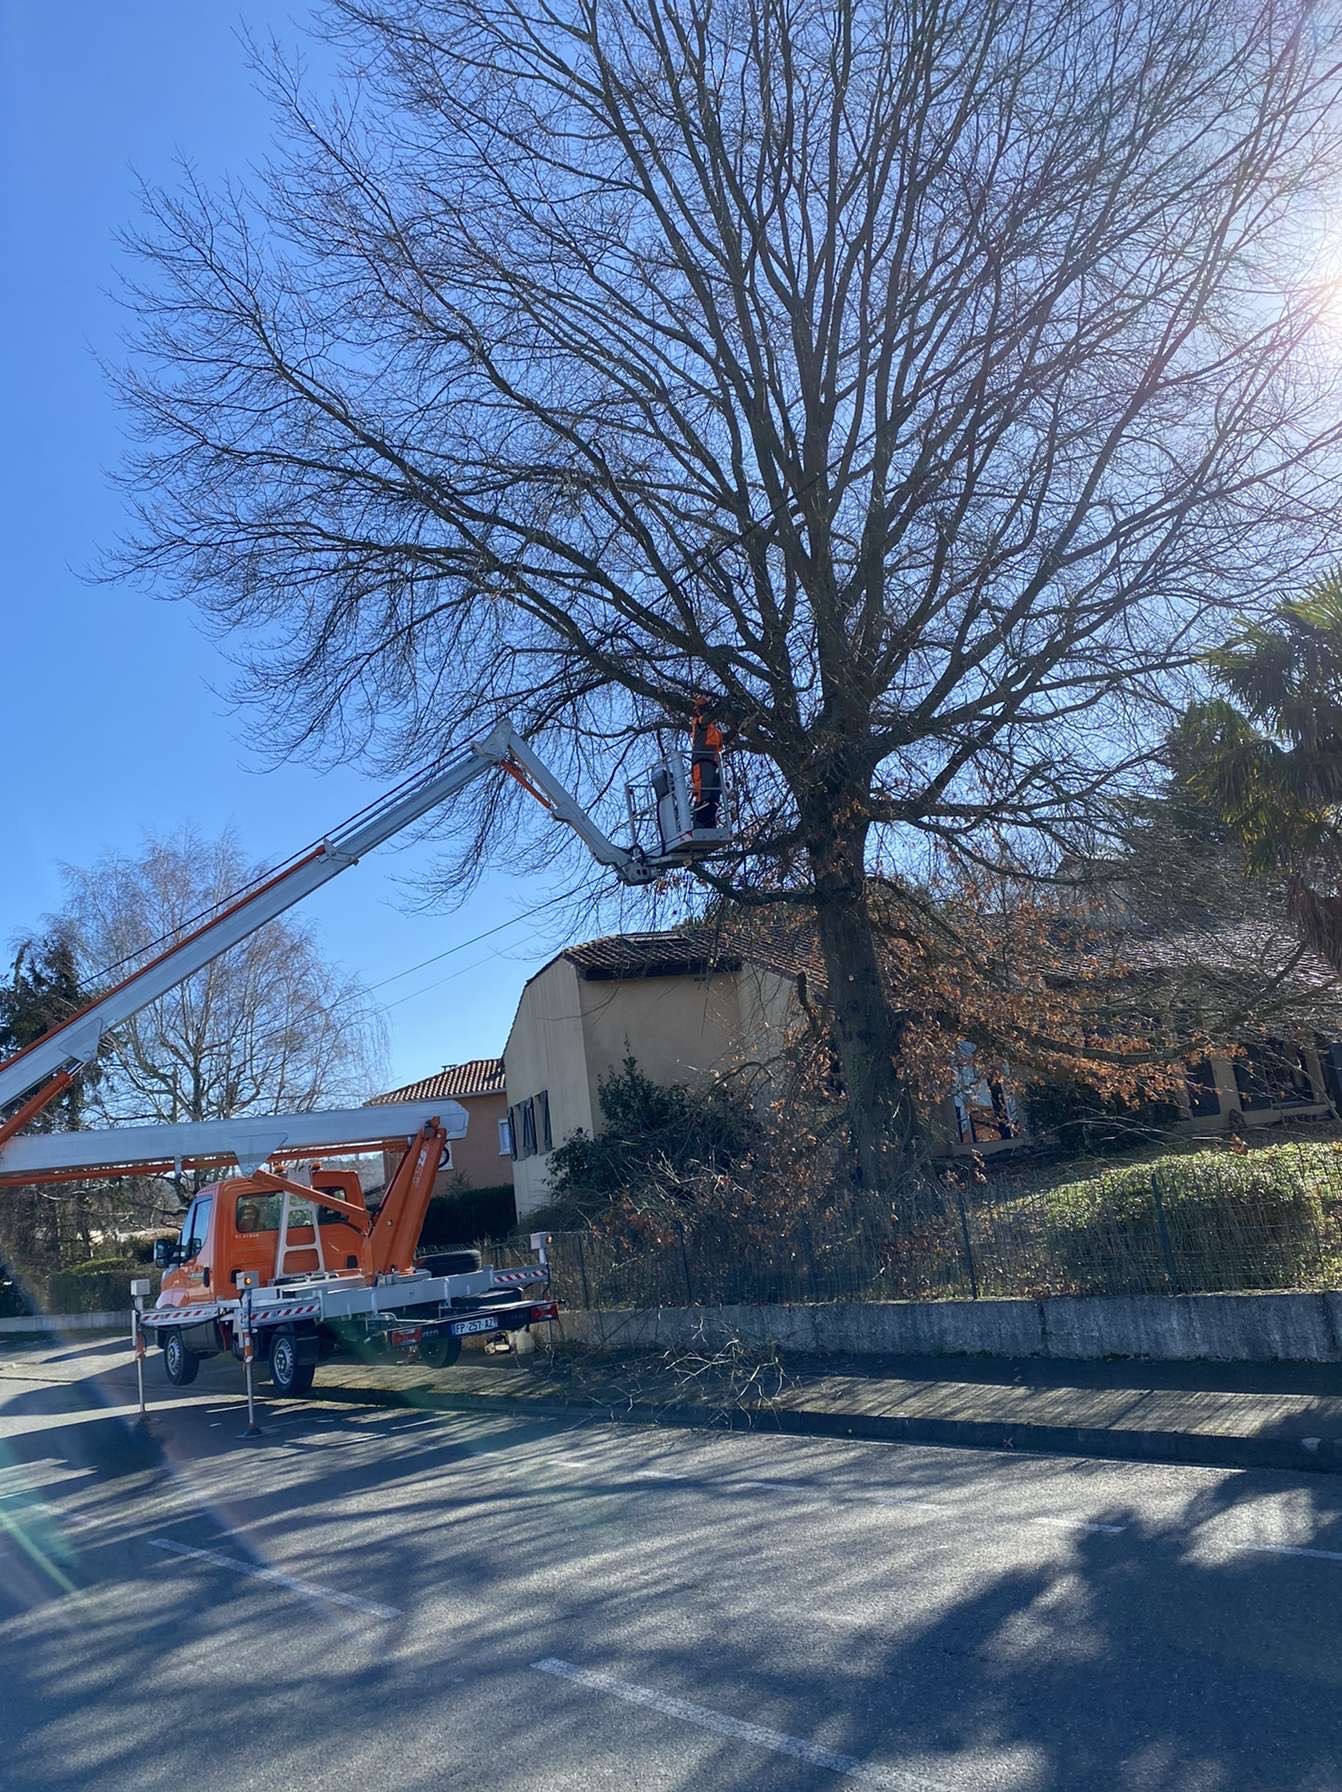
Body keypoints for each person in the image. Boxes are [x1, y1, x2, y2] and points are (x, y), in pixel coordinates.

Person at [689, 698, 724, 831]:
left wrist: (738, 728)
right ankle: (699, 825)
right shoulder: (699, 723)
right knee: (703, 794)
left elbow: (724, 738)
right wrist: (721, 706)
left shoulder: (714, 731)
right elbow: (708, 718)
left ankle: (709, 822)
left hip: (714, 765)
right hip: (702, 764)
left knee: (715, 794)